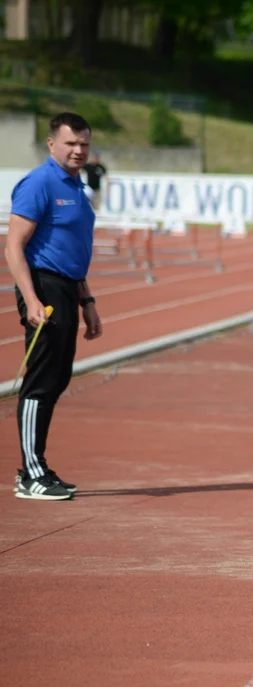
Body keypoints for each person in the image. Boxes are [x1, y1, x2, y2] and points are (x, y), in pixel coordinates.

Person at [5, 112, 103, 501]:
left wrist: (88, 302)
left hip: (66, 288)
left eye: (84, 144)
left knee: (58, 379)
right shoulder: (40, 183)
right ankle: (30, 473)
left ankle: (36, 467)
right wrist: (31, 299)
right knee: (42, 380)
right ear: (52, 144)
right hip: (43, 288)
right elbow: (14, 246)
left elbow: (73, 254)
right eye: (71, 144)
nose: (78, 151)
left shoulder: (77, 187)